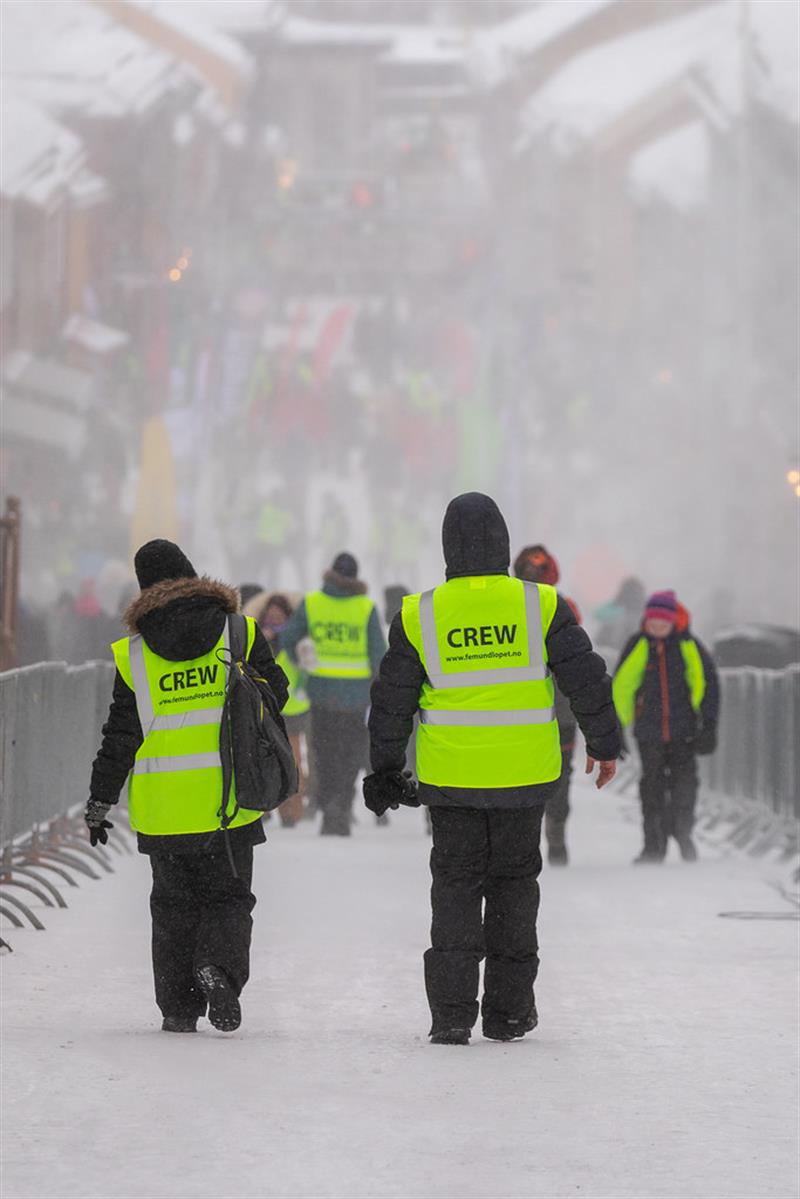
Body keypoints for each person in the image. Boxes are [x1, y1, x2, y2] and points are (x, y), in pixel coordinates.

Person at [365, 493, 620, 1045]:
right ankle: (508, 1013)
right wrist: (605, 743)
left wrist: (384, 771)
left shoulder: (419, 613)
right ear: (503, 543)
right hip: (524, 779)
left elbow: (392, 703)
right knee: (514, 891)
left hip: (451, 781)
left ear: (447, 546)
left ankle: (453, 1014)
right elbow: (585, 678)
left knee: (454, 891)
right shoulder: (541, 606)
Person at [85, 540, 289, 1034]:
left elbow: (121, 733)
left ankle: (178, 1007)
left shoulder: (134, 653)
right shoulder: (238, 631)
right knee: (229, 896)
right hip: (229, 797)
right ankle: (218, 967)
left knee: (172, 906)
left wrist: (100, 800)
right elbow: (277, 692)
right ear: (193, 575)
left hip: (164, 805)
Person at [282, 552, 386, 836]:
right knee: (350, 754)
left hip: (321, 694)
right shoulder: (366, 608)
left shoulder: (313, 603)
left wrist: (300, 658)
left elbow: (288, 636)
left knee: (324, 754)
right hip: (356, 698)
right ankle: (342, 804)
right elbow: (379, 654)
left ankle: (328, 807)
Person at [613, 590, 719, 864]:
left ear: (673, 621)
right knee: (652, 787)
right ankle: (653, 846)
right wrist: (616, 727)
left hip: (684, 732)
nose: (657, 626)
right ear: (645, 621)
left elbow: (707, 685)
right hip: (649, 733)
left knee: (685, 786)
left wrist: (708, 724)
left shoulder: (688, 646)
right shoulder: (639, 645)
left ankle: (682, 832)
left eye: (663, 620)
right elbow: (622, 686)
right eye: (653, 620)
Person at [513, 544, 582, 866]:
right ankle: (542, 837)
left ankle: (552, 834)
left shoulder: (559, 606)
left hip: (552, 708)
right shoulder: (559, 606)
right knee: (547, 775)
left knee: (553, 776)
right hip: (542, 707)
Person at [254, 591, 309, 827]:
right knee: (265, 760)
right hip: (266, 710)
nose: (274, 619)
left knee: (293, 762)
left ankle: (292, 812)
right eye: (271, 615)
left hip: (293, 710)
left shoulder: (296, 641)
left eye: (279, 615)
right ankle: (265, 808)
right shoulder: (256, 640)